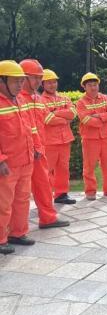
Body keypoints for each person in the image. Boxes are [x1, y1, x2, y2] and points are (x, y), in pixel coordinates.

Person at [19, 59, 70, 230]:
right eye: (35, 77)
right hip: (22, 153)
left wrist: (39, 147)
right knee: (18, 193)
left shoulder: (37, 99)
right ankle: (13, 230)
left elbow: (41, 125)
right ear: (23, 77)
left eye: (40, 78)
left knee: (44, 185)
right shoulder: (17, 99)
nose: (38, 81)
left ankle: (48, 218)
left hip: (39, 151)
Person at [0, 61, 38, 254]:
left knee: (22, 199)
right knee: (3, 203)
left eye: (21, 81)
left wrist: (36, 147)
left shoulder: (21, 100)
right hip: (7, 164)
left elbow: (30, 127)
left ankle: (18, 233)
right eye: (15, 81)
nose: (19, 85)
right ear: (2, 81)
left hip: (25, 160)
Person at [76, 72, 107, 200]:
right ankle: (90, 191)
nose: (93, 87)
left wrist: (99, 116)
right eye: (90, 85)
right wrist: (103, 120)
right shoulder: (81, 102)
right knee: (89, 166)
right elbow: (85, 119)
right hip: (90, 139)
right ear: (84, 87)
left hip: (106, 137)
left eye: (95, 84)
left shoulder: (106, 98)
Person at [40, 69, 77, 205]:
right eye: (49, 82)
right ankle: (45, 197)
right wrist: (65, 119)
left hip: (65, 139)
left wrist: (56, 113)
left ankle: (61, 194)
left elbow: (73, 113)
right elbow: (48, 119)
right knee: (46, 170)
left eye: (54, 82)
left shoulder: (64, 98)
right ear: (43, 84)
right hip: (49, 141)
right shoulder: (40, 100)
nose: (52, 85)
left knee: (63, 168)